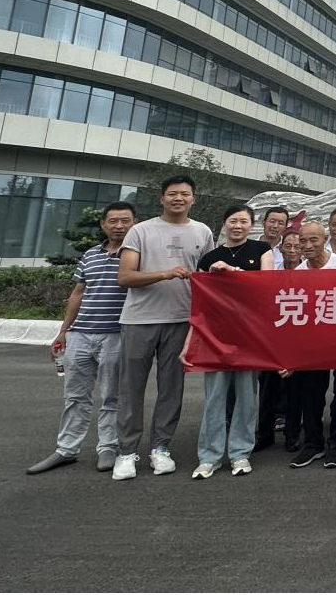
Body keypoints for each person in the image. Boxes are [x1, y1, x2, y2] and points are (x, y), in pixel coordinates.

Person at [112, 175, 215, 480]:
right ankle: (126, 452)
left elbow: (207, 276)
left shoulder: (203, 231)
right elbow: (125, 277)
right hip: (139, 319)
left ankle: (161, 448)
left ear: (193, 199)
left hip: (181, 320)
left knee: (171, 388)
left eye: (184, 194)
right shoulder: (140, 231)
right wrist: (165, 273)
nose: (178, 198)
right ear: (162, 198)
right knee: (131, 388)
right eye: (172, 193)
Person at [28, 202, 137, 475]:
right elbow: (78, 293)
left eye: (125, 220)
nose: (119, 226)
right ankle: (66, 449)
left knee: (112, 395)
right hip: (80, 334)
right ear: (103, 224)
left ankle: (108, 447)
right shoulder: (90, 254)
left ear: (135, 223)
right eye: (113, 221)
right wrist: (64, 331)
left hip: (116, 334)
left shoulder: (136, 255)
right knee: (75, 395)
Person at [189, 205, 274, 479]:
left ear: (252, 225)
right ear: (224, 223)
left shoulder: (262, 250)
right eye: (233, 221)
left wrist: (232, 270)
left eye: (244, 221)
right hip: (216, 336)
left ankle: (240, 453)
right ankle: (209, 456)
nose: (238, 226)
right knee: (214, 398)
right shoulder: (209, 258)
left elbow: (266, 288)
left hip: (250, 335)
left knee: (247, 397)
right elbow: (199, 303)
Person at [287, 223, 336, 470]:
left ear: (324, 239)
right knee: (312, 394)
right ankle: (313, 443)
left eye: (313, 240)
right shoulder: (298, 272)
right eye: (303, 240)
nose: (307, 246)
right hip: (312, 343)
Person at [258, 229, 303, 451]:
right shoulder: (270, 272)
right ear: (281, 248)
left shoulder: (310, 273)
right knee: (267, 389)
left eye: (297, 246)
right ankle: (264, 434)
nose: (292, 250)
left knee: (295, 391)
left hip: (299, 341)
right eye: (288, 246)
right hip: (272, 339)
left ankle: (292, 435)